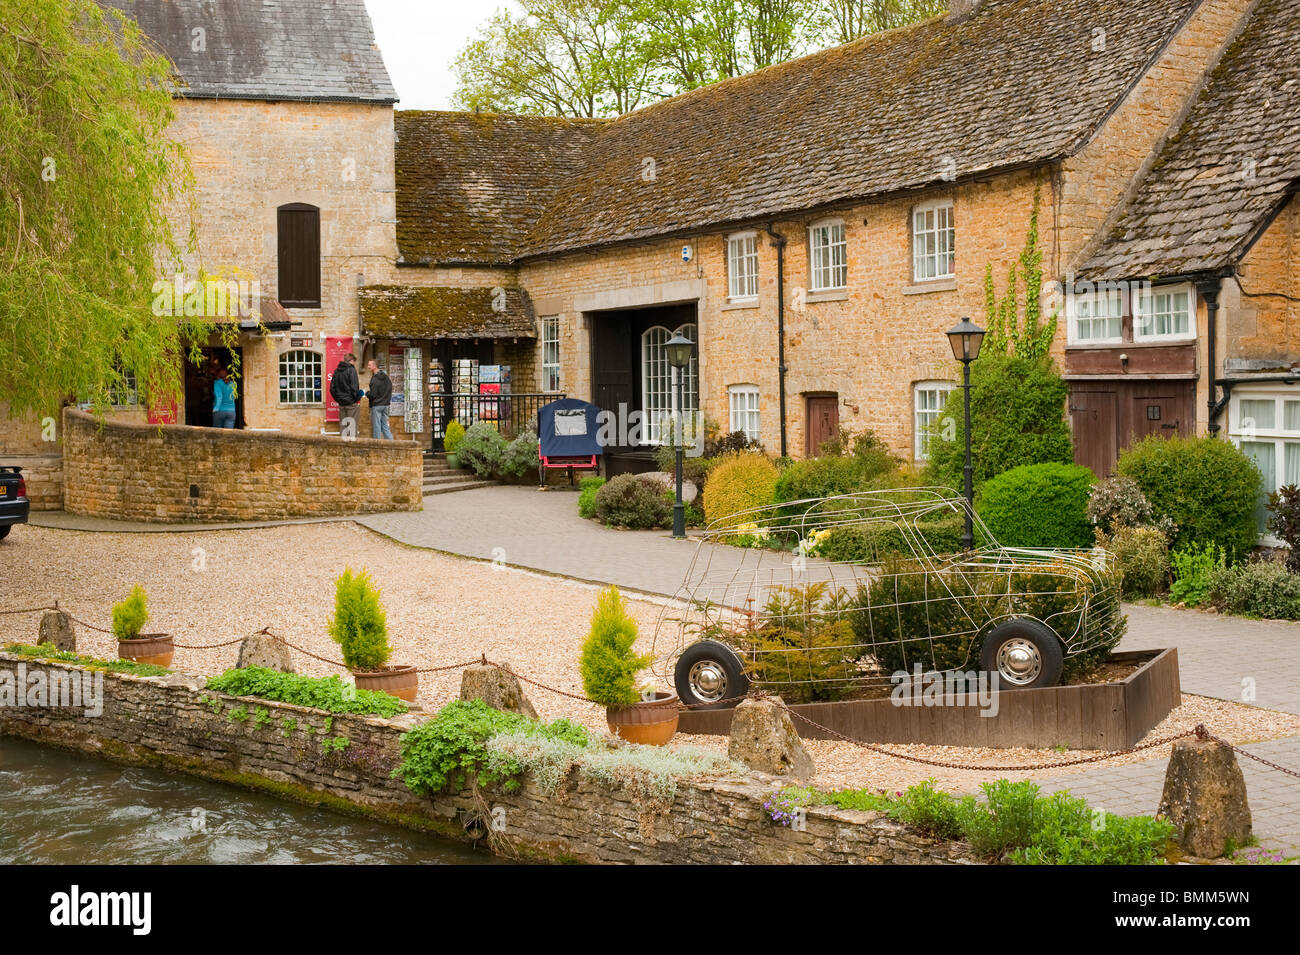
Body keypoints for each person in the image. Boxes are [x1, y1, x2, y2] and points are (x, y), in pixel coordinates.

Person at [329, 353, 363, 436]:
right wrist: (357, 397)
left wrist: (338, 399)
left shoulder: (336, 371)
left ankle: (342, 447)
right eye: (354, 361)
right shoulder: (351, 370)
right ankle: (351, 447)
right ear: (351, 360)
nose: (354, 363)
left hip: (341, 403)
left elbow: (332, 389)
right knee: (352, 426)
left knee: (343, 427)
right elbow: (354, 387)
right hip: (351, 403)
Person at [366, 359, 393, 439]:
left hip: (377, 405)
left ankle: (376, 446)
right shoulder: (386, 377)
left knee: (377, 426)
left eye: (369, 365)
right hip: (386, 405)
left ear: (374, 366)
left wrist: (367, 393)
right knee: (385, 426)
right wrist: (386, 400)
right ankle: (391, 445)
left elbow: (373, 395)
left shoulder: (375, 379)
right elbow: (390, 389)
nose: (368, 367)